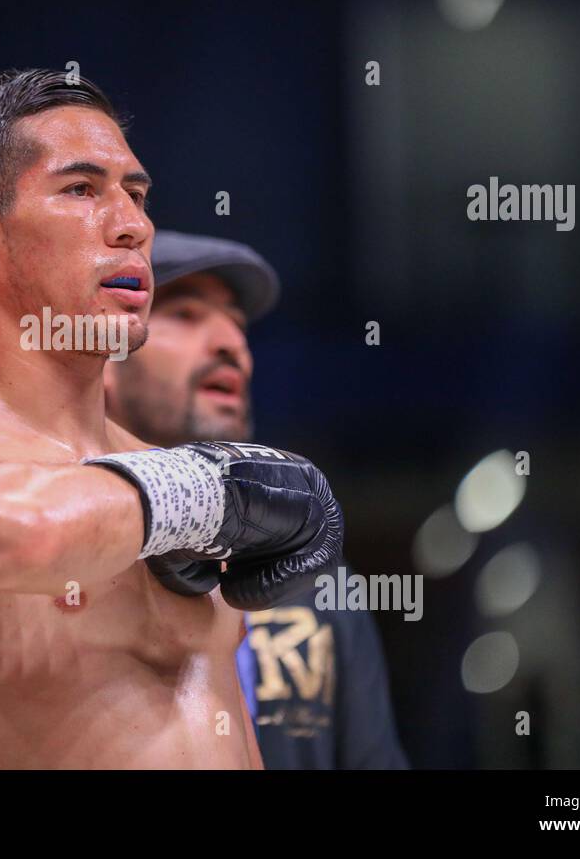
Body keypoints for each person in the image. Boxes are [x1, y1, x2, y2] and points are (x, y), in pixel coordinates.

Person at [0, 69, 342, 768]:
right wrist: (210, 489)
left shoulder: (161, 480)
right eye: (81, 189)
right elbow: (27, 537)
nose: (133, 225)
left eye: (136, 193)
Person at [104, 229, 409, 769]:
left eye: (238, 326)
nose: (231, 344)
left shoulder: (310, 579)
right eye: (186, 314)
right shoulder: (55, 560)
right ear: (103, 358)